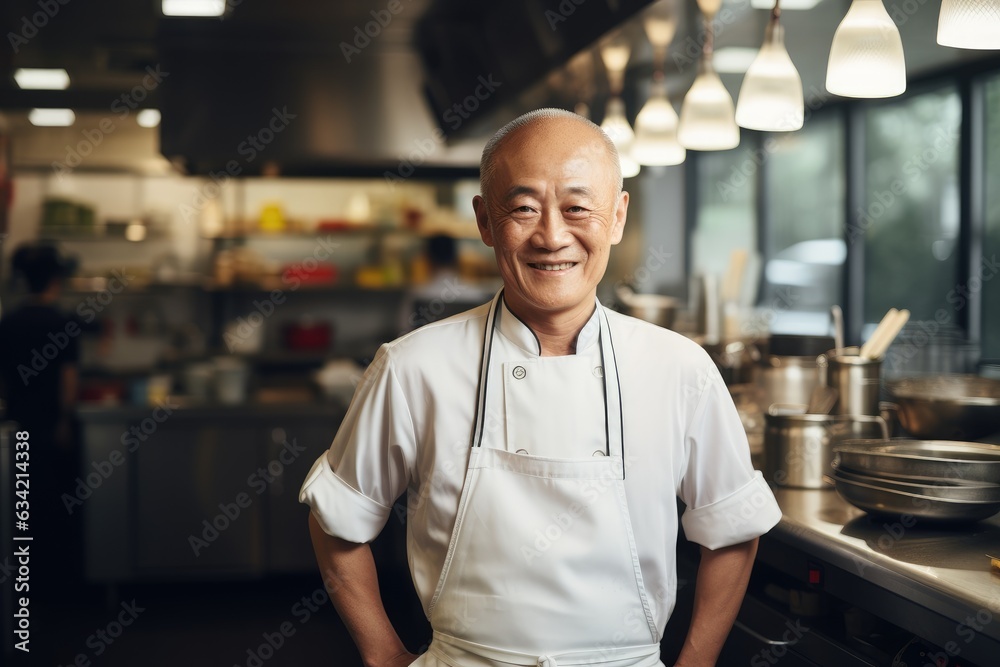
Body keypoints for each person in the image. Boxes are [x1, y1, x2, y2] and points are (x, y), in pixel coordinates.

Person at [299, 108, 782, 667]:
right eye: (524, 208)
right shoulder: (413, 367)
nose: (552, 236)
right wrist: (382, 654)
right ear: (484, 221)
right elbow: (336, 520)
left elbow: (732, 528)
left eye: (577, 207)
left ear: (618, 216)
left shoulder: (680, 368)